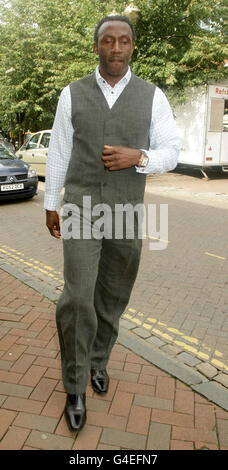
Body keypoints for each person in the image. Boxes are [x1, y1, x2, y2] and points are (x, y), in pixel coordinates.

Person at [44, 15, 180, 433]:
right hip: (81, 209)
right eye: (108, 41)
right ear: (97, 46)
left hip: (126, 212)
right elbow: (59, 151)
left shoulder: (153, 96)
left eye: (123, 41)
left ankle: (99, 360)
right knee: (78, 298)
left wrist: (140, 157)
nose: (116, 48)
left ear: (132, 47)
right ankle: (75, 383)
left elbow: (172, 150)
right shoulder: (72, 94)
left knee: (112, 298)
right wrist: (52, 202)